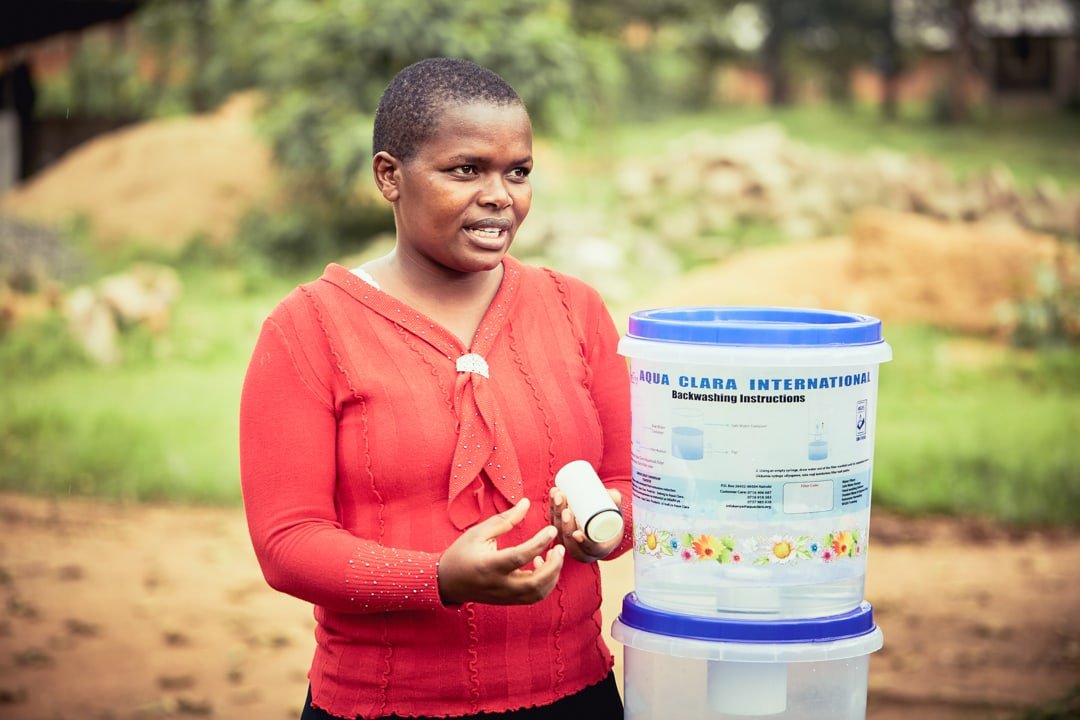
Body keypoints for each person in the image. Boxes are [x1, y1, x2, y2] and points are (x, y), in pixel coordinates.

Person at [239, 57, 633, 720]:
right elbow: (288, 543)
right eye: (466, 170)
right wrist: (438, 580)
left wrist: (601, 527)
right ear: (389, 176)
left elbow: (634, 484)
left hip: (576, 694)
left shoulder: (575, 310)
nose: (501, 195)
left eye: (519, 171)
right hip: (385, 706)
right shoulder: (308, 328)